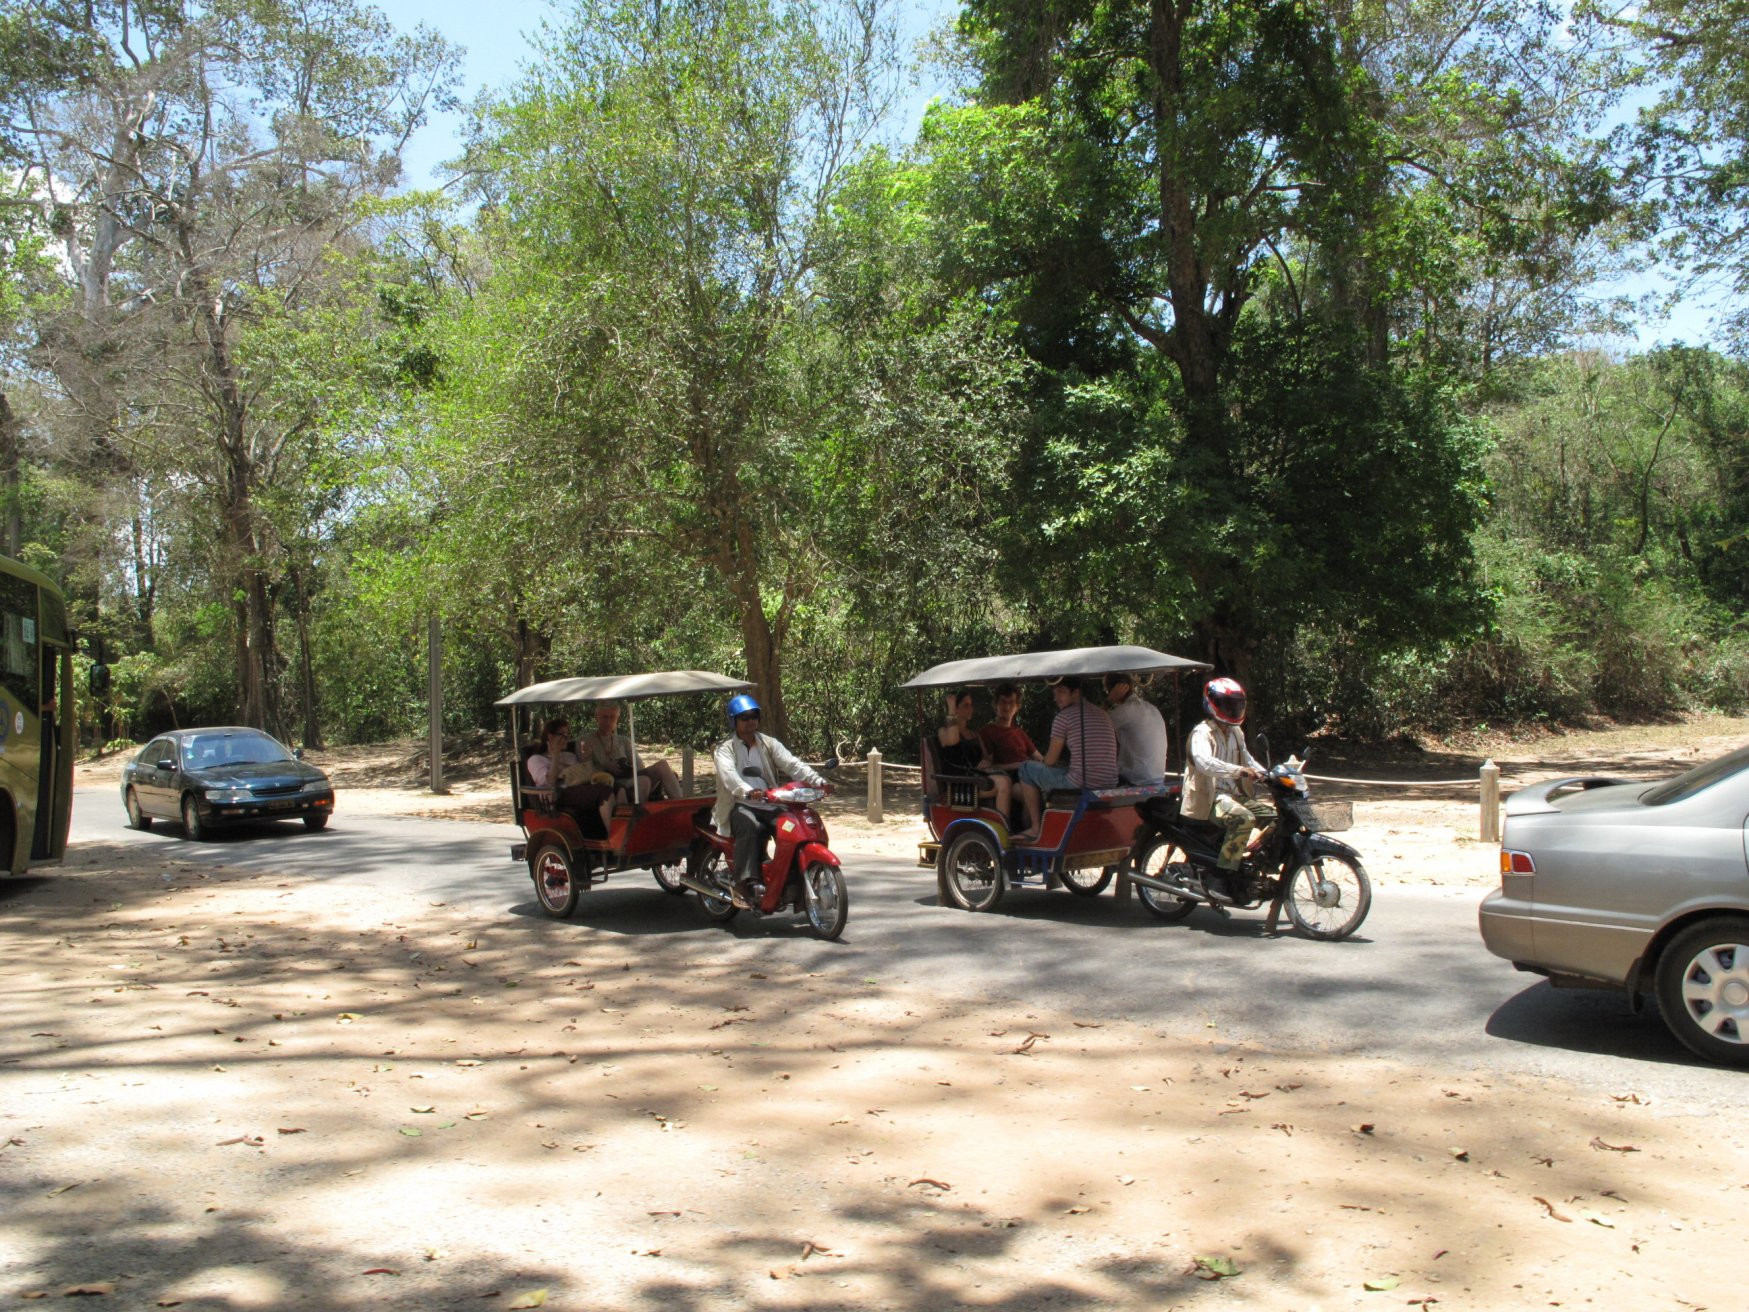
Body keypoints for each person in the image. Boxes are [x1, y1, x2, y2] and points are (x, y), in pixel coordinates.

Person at [712, 693, 829, 907]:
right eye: (744, 717)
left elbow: (792, 764)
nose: (750, 721)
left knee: (792, 827)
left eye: (754, 716)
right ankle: (742, 883)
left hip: (769, 802)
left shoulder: (768, 743)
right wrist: (747, 790)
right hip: (740, 804)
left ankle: (789, 879)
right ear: (734, 720)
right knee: (751, 826)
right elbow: (729, 776)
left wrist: (818, 781)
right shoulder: (724, 748)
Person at [1182, 677, 1273, 883]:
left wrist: (1269, 775)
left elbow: (1247, 759)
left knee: (1276, 818)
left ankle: (1251, 860)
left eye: (1236, 705)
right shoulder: (1202, 733)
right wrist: (1239, 771)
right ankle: (1223, 876)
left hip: (1234, 796)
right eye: (1227, 704)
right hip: (1211, 799)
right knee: (1244, 818)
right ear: (1212, 703)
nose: (1232, 709)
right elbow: (1205, 763)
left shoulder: (1235, 732)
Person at [1013, 677, 1119, 843]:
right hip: (1109, 782)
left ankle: (1035, 828)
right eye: (1055, 693)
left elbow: (1049, 761)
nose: (1056, 698)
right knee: (1064, 769)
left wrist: (1042, 764)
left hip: (1080, 784)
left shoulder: (1064, 718)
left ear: (1076, 692)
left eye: (1061, 692)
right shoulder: (1102, 713)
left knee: (1026, 768)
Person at [527, 716, 615, 834]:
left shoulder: (569, 756)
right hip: (557, 796)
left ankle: (621, 831)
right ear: (550, 736)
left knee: (617, 787)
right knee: (604, 791)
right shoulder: (535, 760)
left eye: (568, 735)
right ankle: (612, 835)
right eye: (563, 735)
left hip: (579, 790)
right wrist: (555, 756)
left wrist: (587, 758)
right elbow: (549, 783)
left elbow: (582, 775)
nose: (567, 739)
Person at [580, 701, 683, 802]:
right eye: (605, 717)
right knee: (644, 781)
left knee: (662, 765)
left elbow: (639, 766)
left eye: (612, 717)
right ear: (596, 718)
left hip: (630, 777)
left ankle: (681, 806)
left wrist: (628, 766)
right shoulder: (585, 741)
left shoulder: (624, 741)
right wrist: (605, 766)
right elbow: (582, 769)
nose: (608, 721)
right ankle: (640, 816)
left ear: (617, 719)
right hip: (610, 782)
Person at [936, 690, 1011, 817]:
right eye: (966, 705)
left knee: (1008, 780)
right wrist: (951, 709)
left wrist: (986, 762)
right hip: (959, 784)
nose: (971, 708)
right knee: (1003, 783)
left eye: (971, 705)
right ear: (955, 709)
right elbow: (953, 741)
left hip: (976, 778)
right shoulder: (943, 732)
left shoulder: (974, 734)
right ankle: (1002, 829)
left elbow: (987, 757)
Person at [1103, 671, 1169, 786]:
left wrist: (1109, 701)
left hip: (1136, 779)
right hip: (1157, 777)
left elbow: (1094, 725)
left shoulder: (1126, 710)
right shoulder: (1151, 708)